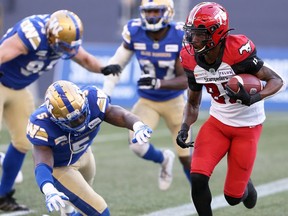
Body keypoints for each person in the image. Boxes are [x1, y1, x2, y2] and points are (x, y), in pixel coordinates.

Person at [0, 10, 121, 211]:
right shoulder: (32, 35)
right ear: (51, 34)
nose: (66, 50)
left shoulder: (62, 37)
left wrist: (102, 68)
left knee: (23, 142)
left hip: (19, 87)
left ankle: (3, 195)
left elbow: (83, 58)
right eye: (62, 45)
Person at [176, 2, 286, 216]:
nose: (194, 40)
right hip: (218, 123)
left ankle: (245, 185)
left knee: (233, 198)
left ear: (217, 33)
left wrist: (254, 97)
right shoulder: (189, 58)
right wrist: (184, 125)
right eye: (192, 33)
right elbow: (192, 101)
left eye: (200, 34)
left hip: (248, 126)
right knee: (197, 177)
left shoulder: (237, 51)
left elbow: (277, 80)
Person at [26, 80, 152, 216]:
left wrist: (137, 125)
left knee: (84, 206)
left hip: (85, 154)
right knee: (100, 211)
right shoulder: (41, 123)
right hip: (61, 168)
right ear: (55, 119)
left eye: (82, 115)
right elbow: (41, 162)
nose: (80, 121)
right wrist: (48, 188)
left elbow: (120, 114)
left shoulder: (92, 99)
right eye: (73, 121)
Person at [102, 0, 192, 190]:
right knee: (137, 145)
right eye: (148, 12)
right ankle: (164, 159)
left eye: (155, 11)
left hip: (174, 101)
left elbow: (187, 79)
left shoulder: (179, 35)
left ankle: (201, 199)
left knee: (188, 159)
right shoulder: (135, 31)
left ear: (168, 12)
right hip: (147, 101)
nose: (151, 16)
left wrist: (158, 83)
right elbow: (116, 64)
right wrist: (105, 93)